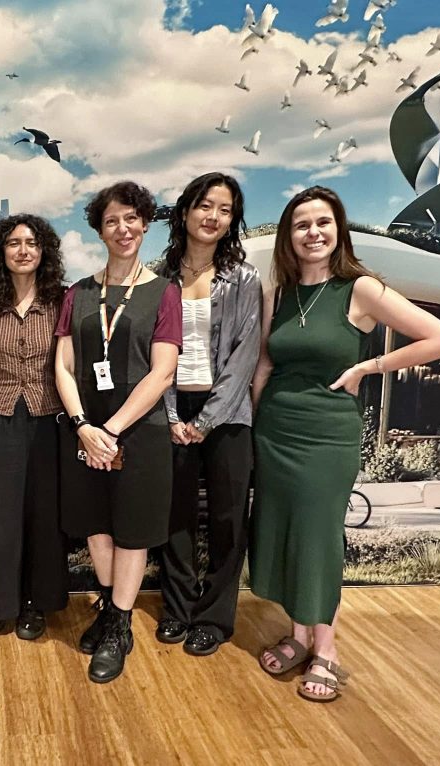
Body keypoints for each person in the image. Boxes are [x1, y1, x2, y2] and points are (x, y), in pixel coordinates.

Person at [250, 186, 440, 702]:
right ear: (288, 236)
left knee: (319, 536)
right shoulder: (279, 293)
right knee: (287, 531)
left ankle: (326, 648)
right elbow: (265, 363)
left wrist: (370, 366)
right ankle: (298, 636)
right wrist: (253, 422)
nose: (313, 233)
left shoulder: (360, 288)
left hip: (327, 434)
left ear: (338, 229)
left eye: (323, 222)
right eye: (302, 224)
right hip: (276, 428)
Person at [54, 181, 182, 683]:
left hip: (138, 431)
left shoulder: (163, 292)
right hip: (86, 429)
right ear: (99, 230)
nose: (122, 229)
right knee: (97, 525)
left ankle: (120, 626)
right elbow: (63, 367)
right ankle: (110, 609)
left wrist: (109, 428)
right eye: (112, 221)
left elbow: (162, 372)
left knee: (131, 530)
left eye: (131, 219)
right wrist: (82, 425)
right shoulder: (78, 293)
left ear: (145, 224)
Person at [156, 173, 261, 656]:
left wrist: (207, 420)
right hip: (170, 409)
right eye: (204, 205)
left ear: (232, 220)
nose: (213, 216)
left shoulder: (244, 278)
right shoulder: (158, 278)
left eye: (224, 209)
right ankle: (177, 609)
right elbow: (150, 354)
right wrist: (172, 416)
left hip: (229, 413)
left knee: (227, 518)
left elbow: (245, 354)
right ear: (184, 212)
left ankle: (215, 617)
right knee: (174, 517)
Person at [0, 214, 69, 640]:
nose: (23, 250)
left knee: (44, 515)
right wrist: (2, 397)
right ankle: (2, 601)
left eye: (31, 243)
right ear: (0, 252)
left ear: (44, 251)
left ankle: (35, 603)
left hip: (49, 419)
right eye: (13, 243)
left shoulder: (62, 302)